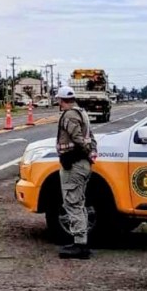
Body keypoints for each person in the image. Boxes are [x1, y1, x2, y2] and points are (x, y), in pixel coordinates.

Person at [55, 86, 97, 259]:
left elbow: (78, 139)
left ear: (61, 100)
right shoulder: (82, 113)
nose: (57, 102)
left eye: (58, 99)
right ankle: (81, 241)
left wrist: (82, 153)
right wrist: (91, 154)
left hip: (75, 165)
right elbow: (90, 139)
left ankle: (80, 245)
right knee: (79, 202)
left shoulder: (70, 115)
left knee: (72, 203)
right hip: (82, 164)